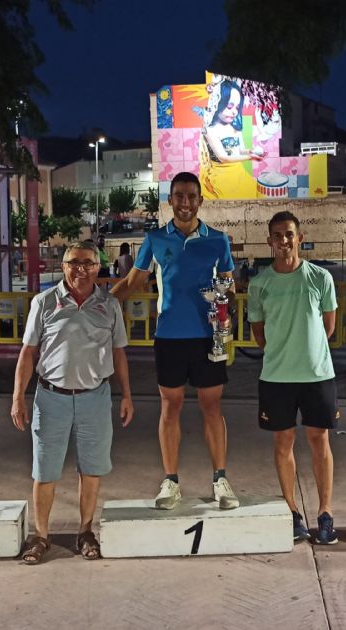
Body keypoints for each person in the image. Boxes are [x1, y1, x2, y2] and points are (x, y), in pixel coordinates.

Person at [111, 171, 239, 510]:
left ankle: (220, 479)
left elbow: (230, 289)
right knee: (171, 408)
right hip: (169, 337)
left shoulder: (218, 240)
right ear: (171, 200)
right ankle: (171, 481)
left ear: (200, 200)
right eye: (178, 196)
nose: (184, 202)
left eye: (190, 196)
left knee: (212, 408)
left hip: (207, 339)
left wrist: (226, 304)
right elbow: (132, 282)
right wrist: (99, 305)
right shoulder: (155, 240)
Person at [11, 240, 134, 563]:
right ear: (63, 266)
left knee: (91, 470)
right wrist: (18, 398)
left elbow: (119, 352)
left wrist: (127, 396)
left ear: (98, 267)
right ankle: (40, 535)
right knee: (45, 470)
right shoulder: (44, 302)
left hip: (95, 398)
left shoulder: (109, 305)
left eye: (88, 263)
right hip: (51, 398)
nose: (81, 269)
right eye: (74, 262)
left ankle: (85, 531)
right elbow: (28, 352)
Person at [247, 210, 339, 545]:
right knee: (283, 443)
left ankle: (325, 512)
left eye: (289, 234)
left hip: (317, 375)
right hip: (276, 377)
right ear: (269, 241)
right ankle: (292, 512)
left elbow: (328, 328)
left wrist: (307, 350)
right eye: (277, 235)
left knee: (320, 441)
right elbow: (259, 335)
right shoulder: (260, 283)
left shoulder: (319, 278)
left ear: (299, 237)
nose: (284, 241)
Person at [200, 78, 264, 199]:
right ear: (218, 103)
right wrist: (250, 157)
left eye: (237, 107)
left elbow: (240, 149)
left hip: (238, 172)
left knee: (253, 193)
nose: (234, 112)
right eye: (229, 106)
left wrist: (251, 151)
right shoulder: (209, 130)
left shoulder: (234, 126)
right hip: (220, 176)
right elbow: (223, 157)